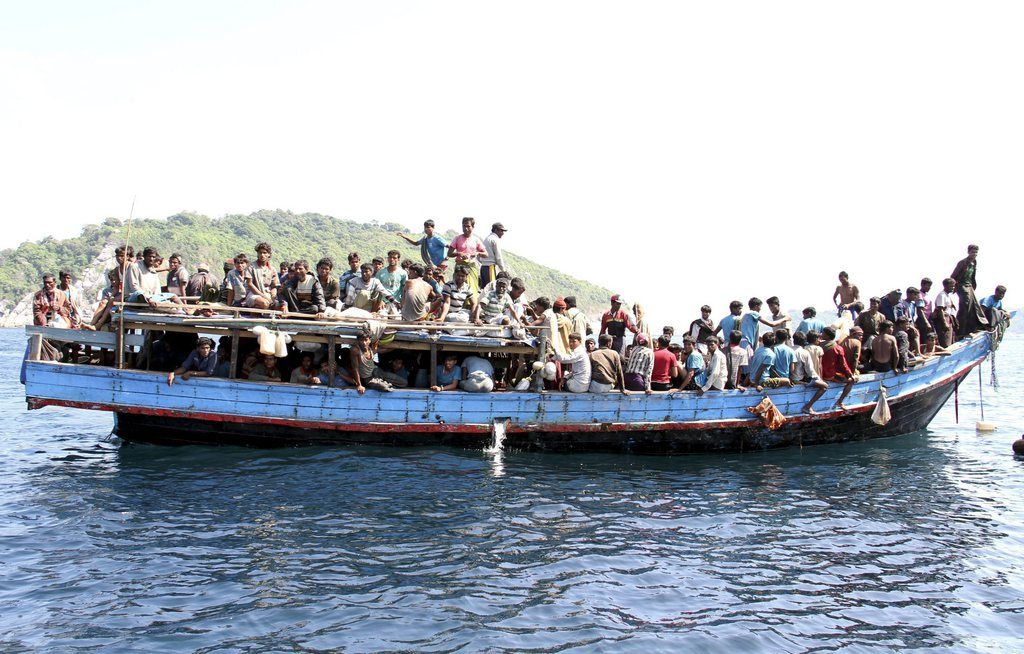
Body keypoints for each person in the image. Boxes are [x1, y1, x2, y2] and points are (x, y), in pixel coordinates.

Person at [951, 244, 989, 337]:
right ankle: (961, 331)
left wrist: (972, 286)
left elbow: (972, 276)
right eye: (972, 252)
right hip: (961, 286)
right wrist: (953, 287)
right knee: (965, 307)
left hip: (970, 286)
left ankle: (975, 327)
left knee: (974, 306)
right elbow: (953, 276)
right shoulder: (962, 263)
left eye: (976, 252)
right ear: (968, 252)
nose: (974, 254)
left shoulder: (974, 262)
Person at [791, 332, 829, 414]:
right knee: (824, 386)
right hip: (798, 379)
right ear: (804, 341)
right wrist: (819, 379)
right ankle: (807, 407)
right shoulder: (804, 352)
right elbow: (810, 371)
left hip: (789, 378)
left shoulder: (789, 350)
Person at [820, 327, 856, 410]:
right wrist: (850, 374)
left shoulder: (818, 346)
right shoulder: (837, 348)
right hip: (829, 375)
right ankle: (840, 401)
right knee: (851, 381)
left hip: (819, 373)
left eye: (823, 333)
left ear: (828, 336)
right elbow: (843, 364)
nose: (821, 334)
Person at [447, 216, 487, 292]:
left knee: (471, 288)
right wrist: (459, 253)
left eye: (468, 226)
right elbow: (449, 253)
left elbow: (486, 254)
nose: (466, 228)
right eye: (464, 226)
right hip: (459, 267)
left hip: (471, 267)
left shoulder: (476, 239)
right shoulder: (457, 238)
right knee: (457, 287)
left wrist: (477, 253)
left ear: (473, 227)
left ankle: (471, 303)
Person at [244, 242, 280, 310]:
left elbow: (274, 286)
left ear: (269, 254)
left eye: (265, 253)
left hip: (267, 294)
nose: (262, 255)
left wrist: (273, 296)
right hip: (253, 294)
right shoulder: (251, 266)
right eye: (260, 253)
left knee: (280, 306)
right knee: (264, 303)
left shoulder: (272, 269)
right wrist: (263, 296)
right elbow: (250, 284)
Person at [479, 222, 508, 287]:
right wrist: (504, 270)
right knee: (491, 288)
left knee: (484, 289)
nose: (503, 233)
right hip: (490, 268)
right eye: (501, 230)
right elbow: (498, 257)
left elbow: (479, 255)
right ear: (496, 230)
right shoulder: (495, 239)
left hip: (483, 267)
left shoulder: (487, 239)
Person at [932, 277, 959, 347]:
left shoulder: (948, 296)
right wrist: (944, 323)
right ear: (945, 286)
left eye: (953, 286)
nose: (953, 288)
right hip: (943, 319)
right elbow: (940, 310)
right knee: (945, 340)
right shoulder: (942, 295)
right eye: (951, 286)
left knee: (950, 339)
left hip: (949, 318)